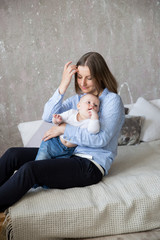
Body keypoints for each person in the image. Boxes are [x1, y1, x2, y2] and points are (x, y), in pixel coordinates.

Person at [0, 52, 125, 212]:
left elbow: (101, 140)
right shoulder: (78, 100)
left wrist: (64, 128)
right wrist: (63, 85)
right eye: (79, 77)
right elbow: (47, 116)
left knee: (30, 169)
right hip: (68, 154)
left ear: (100, 76)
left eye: (89, 77)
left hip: (90, 165)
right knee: (13, 154)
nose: (83, 83)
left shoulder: (112, 101)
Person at [35, 93, 100, 161]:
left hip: (68, 151)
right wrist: (57, 120)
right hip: (54, 143)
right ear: (79, 106)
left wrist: (95, 117)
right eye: (88, 102)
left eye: (96, 105)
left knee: (53, 168)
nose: (92, 105)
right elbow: (57, 121)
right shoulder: (71, 113)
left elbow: (94, 130)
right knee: (40, 161)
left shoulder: (91, 122)